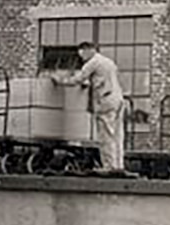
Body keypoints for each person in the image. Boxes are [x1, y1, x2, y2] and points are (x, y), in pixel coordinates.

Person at [53, 41, 129, 175]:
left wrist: (60, 81)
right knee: (117, 135)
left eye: (81, 54)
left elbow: (78, 78)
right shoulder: (108, 62)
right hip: (118, 99)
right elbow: (102, 79)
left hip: (105, 100)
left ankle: (109, 166)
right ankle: (118, 165)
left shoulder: (92, 63)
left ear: (87, 50)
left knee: (105, 135)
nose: (81, 58)